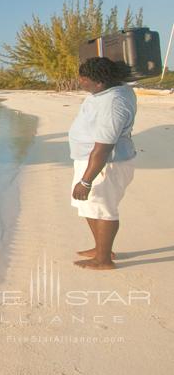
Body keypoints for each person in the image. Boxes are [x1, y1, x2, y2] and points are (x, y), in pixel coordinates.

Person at [68, 57, 136, 270]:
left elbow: (104, 148)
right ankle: (101, 249)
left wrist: (87, 181)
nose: (80, 81)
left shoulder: (113, 103)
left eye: (84, 79)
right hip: (90, 160)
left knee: (103, 208)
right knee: (88, 206)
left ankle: (104, 260)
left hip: (105, 164)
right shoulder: (105, 91)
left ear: (100, 83)